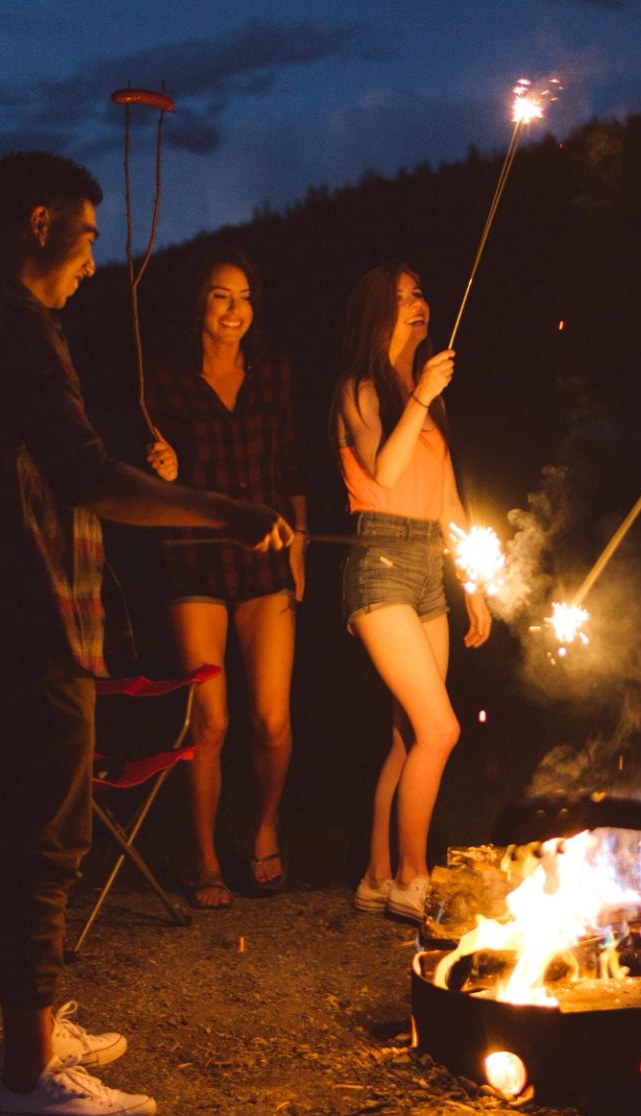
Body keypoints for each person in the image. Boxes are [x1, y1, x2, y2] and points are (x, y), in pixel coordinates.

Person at [0, 152, 290, 1116]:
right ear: (38, 222)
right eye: (86, 235)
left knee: (29, 831)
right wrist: (221, 511)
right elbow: (87, 475)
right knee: (46, 839)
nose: (94, 259)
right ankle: (28, 1074)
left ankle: (31, 1031)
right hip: (26, 611)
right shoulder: (15, 323)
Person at [142, 249, 306, 907]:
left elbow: (289, 467)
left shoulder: (272, 376)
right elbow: (160, 480)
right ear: (199, 306)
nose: (235, 311)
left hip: (266, 554)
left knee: (270, 718)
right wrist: (168, 470)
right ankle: (207, 858)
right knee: (210, 721)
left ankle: (264, 829)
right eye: (220, 297)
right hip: (195, 555)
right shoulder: (167, 382)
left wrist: (301, 549)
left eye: (244, 298)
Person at [332, 263, 493, 923]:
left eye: (420, 292)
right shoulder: (361, 390)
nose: (416, 304)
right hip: (379, 560)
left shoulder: (424, 397)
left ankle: (375, 877)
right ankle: (412, 879)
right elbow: (384, 471)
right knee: (439, 727)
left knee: (408, 737)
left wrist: (473, 583)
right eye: (399, 299)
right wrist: (421, 396)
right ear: (375, 314)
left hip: (430, 564)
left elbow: (450, 500)